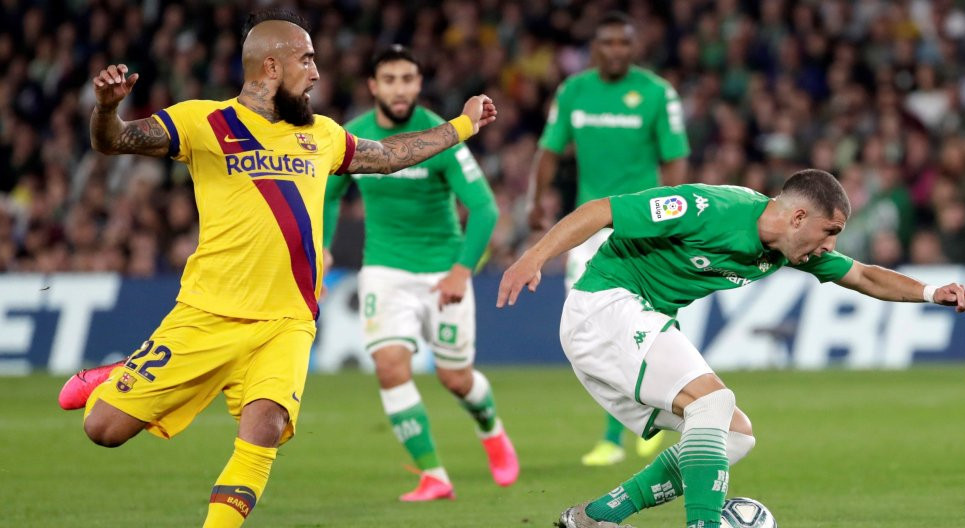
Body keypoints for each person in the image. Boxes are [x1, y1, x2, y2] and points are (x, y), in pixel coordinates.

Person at [56, 8, 497, 527]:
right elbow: (114, 140)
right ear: (270, 66)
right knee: (103, 429)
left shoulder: (323, 134)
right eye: (306, 60)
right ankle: (121, 375)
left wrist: (463, 124)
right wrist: (105, 110)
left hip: (287, 320)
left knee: (263, 426)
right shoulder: (202, 121)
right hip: (208, 313)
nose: (316, 72)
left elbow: (389, 155)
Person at [497, 170, 965, 528]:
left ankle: (598, 516)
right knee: (711, 401)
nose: (830, 244)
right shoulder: (711, 207)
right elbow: (603, 210)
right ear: (799, 216)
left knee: (733, 434)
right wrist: (533, 257)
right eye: (829, 232)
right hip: (606, 305)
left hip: (637, 323)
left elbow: (865, 275)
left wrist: (933, 293)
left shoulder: (787, 249)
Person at [323, 45, 518, 502]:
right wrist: (323, 248)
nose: (398, 87)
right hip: (384, 270)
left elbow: (485, 209)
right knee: (390, 367)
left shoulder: (442, 136)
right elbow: (329, 195)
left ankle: (492, 429)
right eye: (388, 79)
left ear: (419, 84)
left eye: (407, 78)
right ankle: (433, 474)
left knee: (456, 378)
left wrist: (460, 272)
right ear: (373, 86)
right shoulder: (353, 137)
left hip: (442, 273)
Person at [526, 11, 690, 466]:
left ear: (634, 47)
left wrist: (673, 218)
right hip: (589, 225)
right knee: (593, 329)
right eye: (608, 43)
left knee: (648, 323)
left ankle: (639, 423)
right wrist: (536, 199)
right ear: (593, 47)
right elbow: (549, 150)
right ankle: (620, 433)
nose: (616, 50)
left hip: (644, 227)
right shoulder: (574, 91)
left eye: (624, 43)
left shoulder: (657, 92)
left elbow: (675, 160)